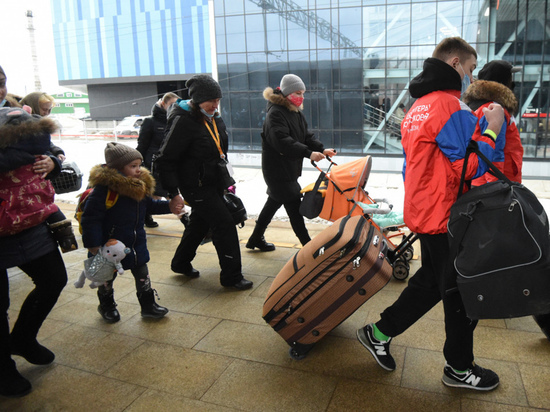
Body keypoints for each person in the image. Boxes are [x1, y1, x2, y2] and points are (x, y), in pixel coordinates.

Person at [356, 37, 505, 391]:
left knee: (432, 283)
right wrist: (491, 128)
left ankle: (378, 332)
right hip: (447, 217)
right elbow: (468, 167)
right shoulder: (448, 106)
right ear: (455, 63)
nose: (471, 77)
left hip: (427, 211)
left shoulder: (418, 106)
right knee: (459, 293)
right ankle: (459, 368)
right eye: (470, 69)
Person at [0, 69, 68, 399]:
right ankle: (3, 369)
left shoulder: (14, 115)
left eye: (0, 84)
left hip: (29, 216)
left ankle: (23, 338)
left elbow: (50, 149)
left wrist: (52, 162)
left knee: (54, 278)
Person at [155, 74, 253, 290]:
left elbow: (219, 151)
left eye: (218, 100)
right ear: (197, 99)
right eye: (211, 101)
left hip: (214, 182)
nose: (215, 105)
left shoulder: (214, 117)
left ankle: (180, 263)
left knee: (200, 223)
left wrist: (226, 180)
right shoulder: (183, 120)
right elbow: (164, 158)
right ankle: (232, 277)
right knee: (224, 223)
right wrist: (172, 193)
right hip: (195, 185)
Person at [80, 142, 174, 322]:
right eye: (133, 166)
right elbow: (91, 219)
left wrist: (169, 206)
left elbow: (149, 206)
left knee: (142, 274)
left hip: (135, 243)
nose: (138, 169)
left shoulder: (139, 186)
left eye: (139, 165)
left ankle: (148, 305)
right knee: (106, 278)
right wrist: (93, 245)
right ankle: (106, 305)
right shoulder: (104, 190)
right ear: (117, 168)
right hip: (109, 246)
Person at [246, 74, 336, 251]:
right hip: (277, 171)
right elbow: (282, 141)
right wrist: (308, 153)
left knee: (272, 203)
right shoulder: (275, 113)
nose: (301, 96)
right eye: (297, 92)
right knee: (294, 206)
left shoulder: (294, 111)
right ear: (287, 93)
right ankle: (309, 248)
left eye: (303, 93)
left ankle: (255, 238)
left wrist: (321, 149)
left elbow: (306, 136)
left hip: (288, 169)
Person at [462, 59, 523, 184]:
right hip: (500, 181)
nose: (512, 81)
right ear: (503, 80)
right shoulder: (494, 109)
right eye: (510, 77)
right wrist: (496, 187)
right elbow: (494, 152)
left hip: (481, 181)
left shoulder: (476, 106)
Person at [136, 92, 179, 228]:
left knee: (170, 193)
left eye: (176, 105)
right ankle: (146, 216)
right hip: (152, 164)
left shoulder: (176, 120)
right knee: (154, 194)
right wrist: (139, 165)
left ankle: (185, 218)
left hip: (169, 164)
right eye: (171, 105)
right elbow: (142, 145)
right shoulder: (150, 122)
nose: (174, 107)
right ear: (163, 104)